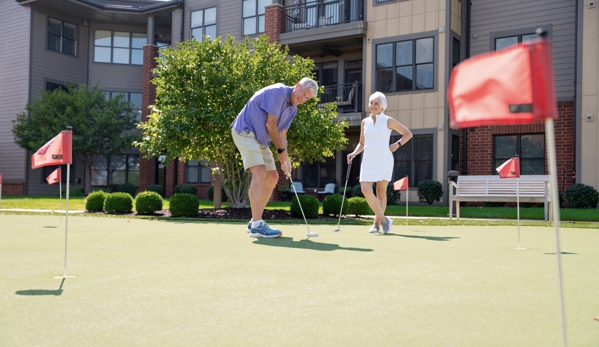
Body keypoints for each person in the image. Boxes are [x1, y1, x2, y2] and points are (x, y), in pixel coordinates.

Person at [231, 78, 318, 238]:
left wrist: (286, 159)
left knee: (272, 176)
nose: (303, 99)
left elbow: (282, 134)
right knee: (260, 172)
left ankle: (254, 221)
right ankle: (257, 225)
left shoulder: (293, 110)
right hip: (245, 131)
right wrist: (280, 151)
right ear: (297, 86)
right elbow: (271, 125)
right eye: (304, 94)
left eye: (307, 99)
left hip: (260, 140)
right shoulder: (278, 92)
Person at [347, 91, 413, 234]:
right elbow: (362, 143)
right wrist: (354, 153)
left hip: (384, 159)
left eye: (376, 103)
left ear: (382, 106)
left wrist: (397, 144)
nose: (373, 106)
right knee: (365, 188)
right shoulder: (365, 122)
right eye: (371, 103)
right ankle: (385, 220)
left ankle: (377, 223)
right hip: (368, 159)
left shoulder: (388, 121)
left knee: (381, 193)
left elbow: (408, 133)